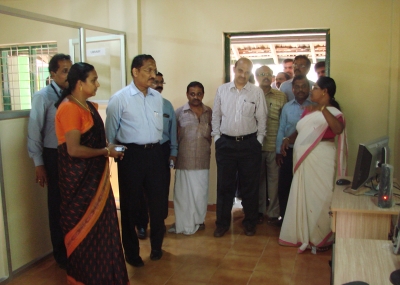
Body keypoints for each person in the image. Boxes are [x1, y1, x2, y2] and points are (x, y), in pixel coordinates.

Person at [54, 62, 129, 284]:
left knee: (104, 230)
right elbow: (74, 149)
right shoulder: (69, 108)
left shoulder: (88, 107)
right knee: (84, 233)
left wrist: (108, 150)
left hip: (96, 183)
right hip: (79, 186)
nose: (97, 84)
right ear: (79, 84)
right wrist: (106, 151)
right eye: (94, 80)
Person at [105, 54, 165, 266]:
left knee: (158, 205)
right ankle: (132, 254)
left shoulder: (157, 98)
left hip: (155, 154)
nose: (153, 75)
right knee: (130, 207)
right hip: (131, 156)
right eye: (148, 70)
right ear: (135, 72)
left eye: (154, 70)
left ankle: (157, 247)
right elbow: (110, 135)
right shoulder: (120, 99)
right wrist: (121, 153)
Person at [278, 76, 347, 253]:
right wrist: (288, 138)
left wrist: (322, 109)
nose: (311, 90)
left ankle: (320, 237)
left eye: (315, 87)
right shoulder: (308, 110)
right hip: (306, 160)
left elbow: (338, 129)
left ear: (325, 92)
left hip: (322, 157)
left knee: (321, 197)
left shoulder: (334, 112)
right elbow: (300, 129)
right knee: (306, 196)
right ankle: (304, 235)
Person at [212, 57, 267, 238]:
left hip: (249, 145)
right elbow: (216, 117)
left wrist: (258, 141)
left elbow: (262, 118)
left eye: (247, 72)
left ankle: (250, 223)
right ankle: (222, 224)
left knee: (249, 187)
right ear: (234, 69)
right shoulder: (222, 90)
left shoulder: (256, 92)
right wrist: (217, 138)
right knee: (224, 187)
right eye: (240, 70)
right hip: (226, 144)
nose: (243, 75)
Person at [27, 53, 72, 269]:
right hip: (53, 155)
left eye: (70, 70)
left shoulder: (73, 95)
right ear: (52, 73)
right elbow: (35, 132)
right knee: (57, 205)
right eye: (64, 71)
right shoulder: (43, 97)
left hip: (72, 155)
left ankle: (75, 247)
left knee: (73, 204)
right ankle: (60, 254)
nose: (68, 75)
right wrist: (39, 163)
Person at [135, 71, 178, 240]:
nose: (159, 85)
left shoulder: (167, 105)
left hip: (162, 151)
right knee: (142, 191)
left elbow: (173, 130)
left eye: (161, 82)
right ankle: (142, 225)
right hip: (143, 151)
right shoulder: (138, 103)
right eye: (155, 82)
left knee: (160, 191)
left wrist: (173, 152)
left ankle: (158, 224)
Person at [168, 81, 212, 235]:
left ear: (203, 95)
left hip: (202, 160)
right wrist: (172, 156)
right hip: (184, 160)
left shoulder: (210, 113)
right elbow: (173, 137)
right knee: (183, 195)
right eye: (192, 94)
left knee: (201, 194)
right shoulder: (179, 112)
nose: (195, 97)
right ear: (187, 94)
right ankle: (183, 224)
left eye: (199, 93)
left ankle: (198, 222)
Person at [274, 75, 313, 227]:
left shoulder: (315, 106)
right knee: (285, 186)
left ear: (309, 88)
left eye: (303, 86)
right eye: (297, 87)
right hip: (288, 152)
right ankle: (285, 219)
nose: (300, 90)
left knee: (306, 186)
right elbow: (281, 129)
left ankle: (305, 219)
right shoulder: (287, 107)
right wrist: (278, 151)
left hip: (309, 152)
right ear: (292, 89)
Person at [255, 66, 287, 224]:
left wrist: (280, 146)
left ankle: (274, 213)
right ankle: (260, 211)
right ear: (256, 77)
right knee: (258, 180)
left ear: (273, 77)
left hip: (274, 145)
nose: (266, 77)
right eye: (262, 74)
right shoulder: (252, 94)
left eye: (268, 74)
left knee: (274, 181)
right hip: (256, 146)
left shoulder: (281, 96)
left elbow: (284, 122)